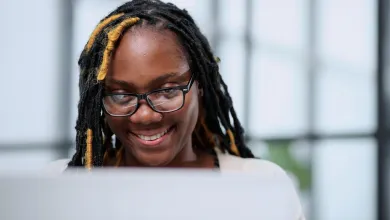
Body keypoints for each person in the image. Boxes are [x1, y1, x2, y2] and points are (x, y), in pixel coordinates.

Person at [46, 0, 305, 219]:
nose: (145, 115)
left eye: (167, 91)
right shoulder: (62, 185)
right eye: (122, 95)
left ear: (201, 86)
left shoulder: (258, 186)